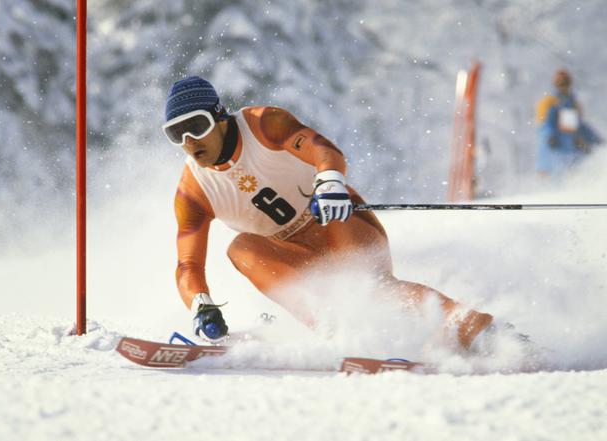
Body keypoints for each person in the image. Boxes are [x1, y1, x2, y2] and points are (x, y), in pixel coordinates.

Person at [163, 75, 494, 351]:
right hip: (292, 254)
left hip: (336, 221)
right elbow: (188, 264)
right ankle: (332, 328)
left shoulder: (264, 124)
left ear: (220, 116)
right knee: (240, 248)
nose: (190, 141)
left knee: (373, 290)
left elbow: (322, 150)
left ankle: (477, 328)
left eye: (196, 125)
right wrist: (200, 303)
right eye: (177, 134)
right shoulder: (193, 190)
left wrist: (329, 182)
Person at [535, 69, 602, 177]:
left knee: (576, 172)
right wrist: (550, 136)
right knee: (555, 175)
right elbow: (546, 125)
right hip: (554, 151)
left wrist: (596, 140)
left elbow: (580, 126)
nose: (562, 87)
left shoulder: (572, 104)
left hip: (571, 150)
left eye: (565, 83)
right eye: (559, 84)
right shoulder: (550, 103)